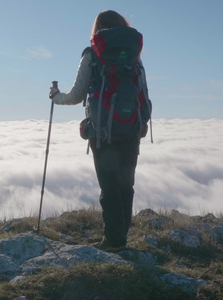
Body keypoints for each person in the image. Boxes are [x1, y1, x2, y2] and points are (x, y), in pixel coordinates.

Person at [49, 10, 149, 248]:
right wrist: (142, 123)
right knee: (126, 185)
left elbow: (76, 95)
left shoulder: (92, 53)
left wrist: (56, 97)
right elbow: (143, 92)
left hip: (102, 133)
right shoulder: (134, 56)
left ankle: (114, 240)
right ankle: (120, 235)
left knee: (109, 186)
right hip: (131, 129)